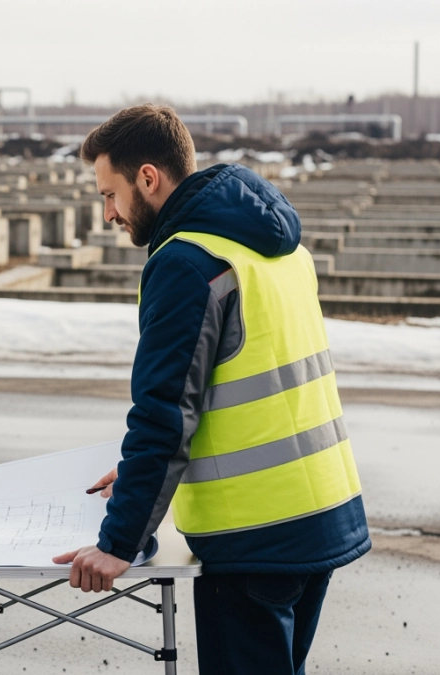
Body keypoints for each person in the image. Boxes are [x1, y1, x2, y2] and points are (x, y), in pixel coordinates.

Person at [54, 105, 369, 675]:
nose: (108, 213)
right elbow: (251, 385)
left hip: (253, 537)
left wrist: (118, 542)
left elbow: (164, 414)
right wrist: (142, 481)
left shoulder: (187, 262)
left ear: (148, 178)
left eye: (110, 194)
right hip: (317, 515)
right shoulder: (279, 249)